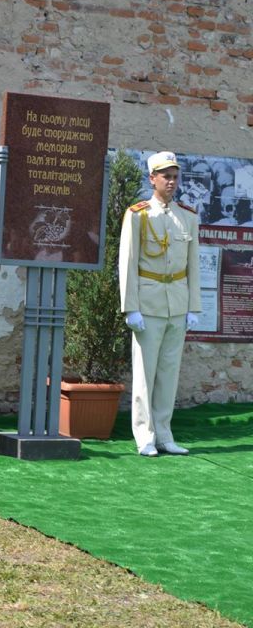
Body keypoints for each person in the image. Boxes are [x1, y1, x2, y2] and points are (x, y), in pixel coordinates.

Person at [119, 151, 201, 457]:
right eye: (165, 176)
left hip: (176, 304)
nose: (171, 181)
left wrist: (194, 307)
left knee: (169, 373)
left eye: (175, 176)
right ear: (152, 178)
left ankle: (165, 434)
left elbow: (193, 265)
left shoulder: (188, 217)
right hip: (148, 303)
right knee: (145, 373)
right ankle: (145, 435)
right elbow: (126, 262)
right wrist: (131, 307)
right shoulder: (138, 214)